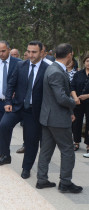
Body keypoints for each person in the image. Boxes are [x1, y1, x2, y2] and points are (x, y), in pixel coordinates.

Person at [0, 41, 49, 180]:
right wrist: (8, 102)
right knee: (3, 125)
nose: (30, 55)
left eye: (34, 52)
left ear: (42, 52)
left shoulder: (47, 69)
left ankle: (26, 168)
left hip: (33, 111)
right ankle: (5, 156)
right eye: (29, 51)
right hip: (17, 106)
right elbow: (11, 85)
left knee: (31, 140)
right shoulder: (20, 65)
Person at [36, 43, 82, 193]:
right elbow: (61, 98)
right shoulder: (56, 71)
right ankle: (65, 183)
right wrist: (73, 103)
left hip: (49, 117)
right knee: (68, 150)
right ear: (69, 54)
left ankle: (42, 179)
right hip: (57, 119)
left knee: (46, 150)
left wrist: (70, 110)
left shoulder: (52, 68)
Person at [71, 54, 89, 152]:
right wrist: (75, 98)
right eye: (87, 61)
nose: (88, 63)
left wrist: (87, 96)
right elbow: (72, 86)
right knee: (76, 122)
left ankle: (88, 145)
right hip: (78, 101)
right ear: (84, 62)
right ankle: (76, 142)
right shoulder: (78, 74)